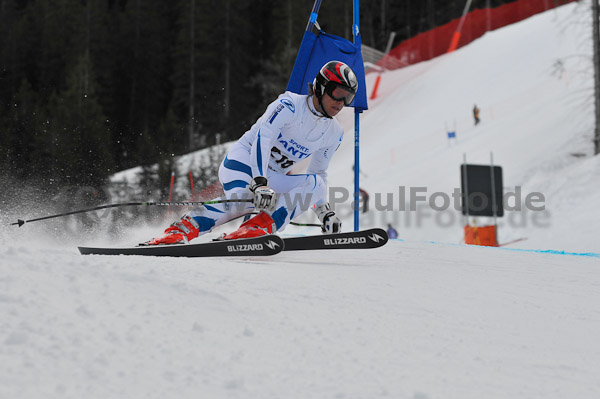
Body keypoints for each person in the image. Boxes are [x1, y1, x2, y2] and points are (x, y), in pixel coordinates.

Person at [143, 60, 359, 245]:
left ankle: (255, 228)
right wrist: (259, 182)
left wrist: (324, 212)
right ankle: (179, 230)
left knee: (315, 184)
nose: (341, 103)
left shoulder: (334, 132)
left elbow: (318, 175)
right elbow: (262, 140)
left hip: (272, 177)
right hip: (243, 162)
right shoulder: (289, 105)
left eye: (348, 97)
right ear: (321, 87)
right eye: (338, 93)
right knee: (242, 200)